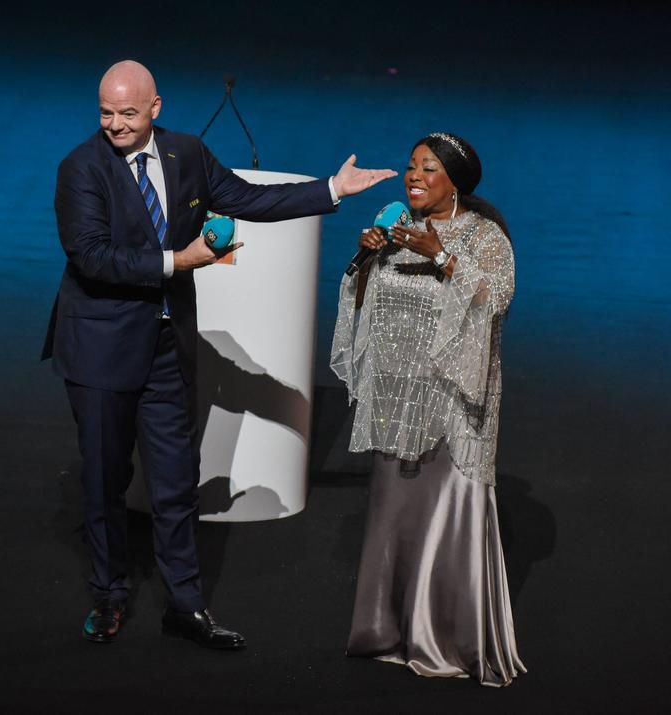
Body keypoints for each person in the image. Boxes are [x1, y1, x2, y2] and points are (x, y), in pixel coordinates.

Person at [42, 60, 395, 648]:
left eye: (128, 113)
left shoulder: (185, 153)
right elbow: (91, 256)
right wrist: (177, 261)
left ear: (156, 107)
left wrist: (331, 190)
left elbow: (245, 198)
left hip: (165, 347)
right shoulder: (81, 168)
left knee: (177, 481)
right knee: (105, 481)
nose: (115, 124)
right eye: (105, 113)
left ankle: (185, 605)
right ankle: (108, 596)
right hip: (102, 351)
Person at [330, 132, 525, 684]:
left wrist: (438, 255)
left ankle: (445, 640)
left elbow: (496, 299)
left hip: (452, 410)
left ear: (455, 182)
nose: (414, 176)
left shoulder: (484, 236)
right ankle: (385, 630)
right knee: (395, 519)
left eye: (428, 168)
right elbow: (365, 308)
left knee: (443, 521)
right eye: (411, 166)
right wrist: (366, 260)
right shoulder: (397, 230)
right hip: (398, 405)